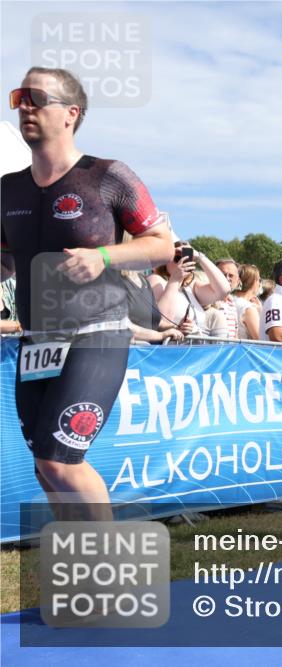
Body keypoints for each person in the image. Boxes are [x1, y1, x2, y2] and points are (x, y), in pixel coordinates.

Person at [1, 67, 174, 517]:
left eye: (37, 97)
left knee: (61, 461)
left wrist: (105, 257)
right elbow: (6, 258)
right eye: (19, 96)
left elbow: (162, 245)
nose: (25, 107)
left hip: (97, 331)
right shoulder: (8, 189)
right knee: (46, 467)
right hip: (38, 340)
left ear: (70, 114)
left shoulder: (107, 176)